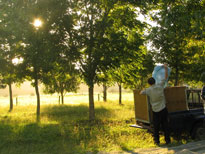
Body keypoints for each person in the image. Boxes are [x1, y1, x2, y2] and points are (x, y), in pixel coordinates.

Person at [140, 64, 171, 145]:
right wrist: (165, 67)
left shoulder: (148, 90)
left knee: (156, 127)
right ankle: (167, 141)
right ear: (155, 81)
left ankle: (157, 141)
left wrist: (146, 88)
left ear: (149, 83)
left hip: (155, 111)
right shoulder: (160, 86)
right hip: (163, 109)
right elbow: (165, 76)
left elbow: (140, 93)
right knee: (165, 125)